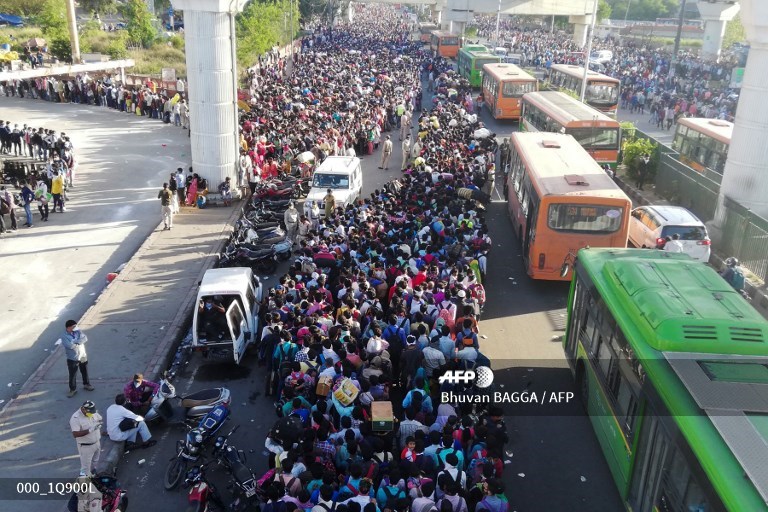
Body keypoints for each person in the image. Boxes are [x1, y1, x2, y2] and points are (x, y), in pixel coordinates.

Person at [61, 319, 94, 397]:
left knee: (84, 371)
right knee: (72, 374)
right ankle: (72, 389)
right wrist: (79, 342)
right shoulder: (64, 336)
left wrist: (76, 342)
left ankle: (86, 384)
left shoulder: (77, 331)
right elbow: (70, 346)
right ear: (68, 327)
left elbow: (85, 338)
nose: (76, 327)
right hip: (73, 358)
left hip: (82, 355)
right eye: (74, 326)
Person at [70, 400, 103, 477]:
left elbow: (99, 418)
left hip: (97, 443)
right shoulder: (76, 418)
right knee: (85, 468)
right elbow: (75, 434)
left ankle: (93, 475)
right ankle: (83, 484)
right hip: (86, 447)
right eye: (90, 413)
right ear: (84, 409)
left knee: (95, 461)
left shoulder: (91, 413)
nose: (91, 414)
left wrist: (99, 423)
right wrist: (90, 430)